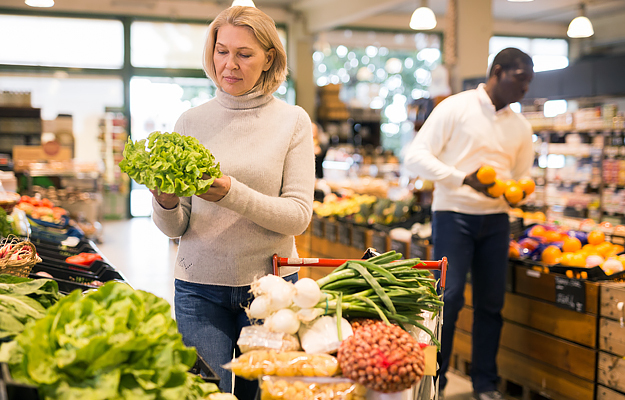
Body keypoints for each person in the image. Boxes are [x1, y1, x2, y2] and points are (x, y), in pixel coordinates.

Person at [149, 6, 315, 400]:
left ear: (268, 57)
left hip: (271, 293)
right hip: (197, 290)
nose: (229, 64)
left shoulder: (293, 121)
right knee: (210, 395)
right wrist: (166, 204)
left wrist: (231, 193)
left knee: (264, 395)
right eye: (222, 51)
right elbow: (176, 228)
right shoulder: (190, 122)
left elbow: (298, 216)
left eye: (244, 54)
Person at [403, 48, 535, 400]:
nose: (524, 89)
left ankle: (485, 384)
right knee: (448, 299)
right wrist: (463, 178)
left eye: (528, 83)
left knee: (492, 304)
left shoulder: (521, 127)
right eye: (520, 80)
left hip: (496, 221)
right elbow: (415, 155)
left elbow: (522, 176)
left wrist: (516, 193)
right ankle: (434, 380)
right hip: (453, 217)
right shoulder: (455, 107)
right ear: (497, 71)